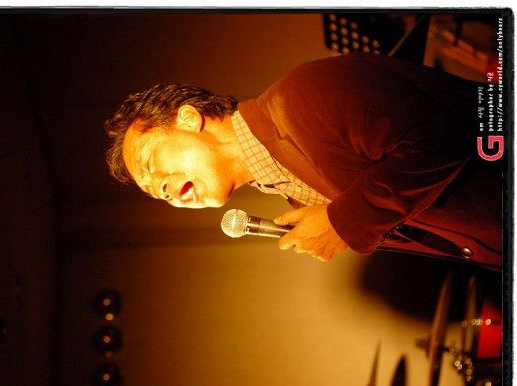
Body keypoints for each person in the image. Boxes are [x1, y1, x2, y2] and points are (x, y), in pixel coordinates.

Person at [104, 52, 504, 271]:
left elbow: (440, 139)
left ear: (190, 118)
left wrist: (343, 222)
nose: (163, 189)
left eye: (151, 162)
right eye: (153, 192)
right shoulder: (294, 196)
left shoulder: (301, 95)